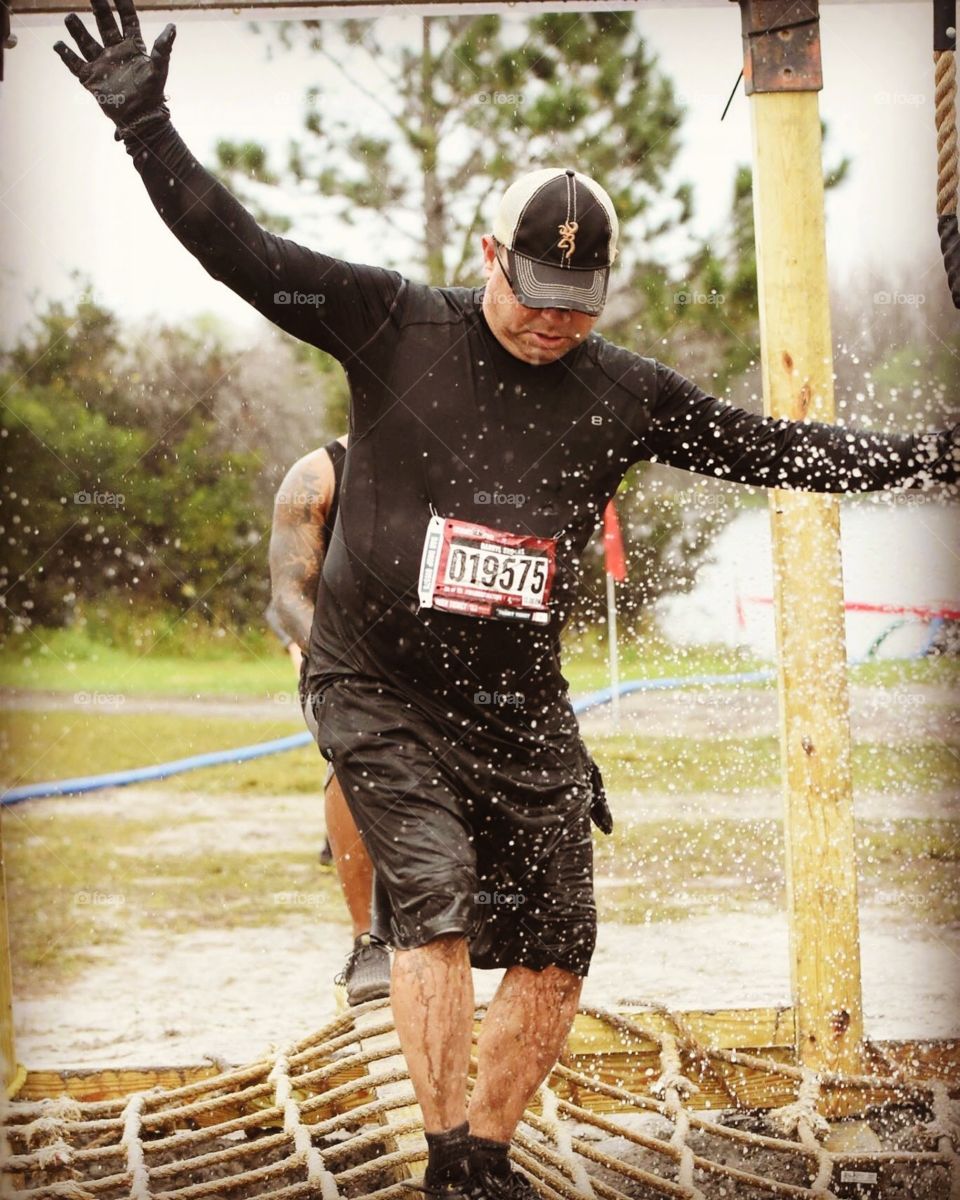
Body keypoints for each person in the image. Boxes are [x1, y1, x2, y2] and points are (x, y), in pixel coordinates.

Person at [54, 5, 958, 1195]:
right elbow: (247, 252)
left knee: (558, 947)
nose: (552, 320)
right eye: (534, 292)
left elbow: (768, 447)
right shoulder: (391, 322)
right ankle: (443, 1163)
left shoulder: (623, 391)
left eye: (577, 303)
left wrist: (923, 457)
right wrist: (146, 128)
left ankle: (484, 1154)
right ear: (491, 257)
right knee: (429, 901)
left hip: (518, 700)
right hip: (374, 681)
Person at [265, 435, 392, 1006]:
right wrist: (350, 661)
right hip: (340, 667)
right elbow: (288, 598)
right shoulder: (315, 476)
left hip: (438, 663)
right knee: (356, 746)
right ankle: (368, 942)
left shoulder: (456, 459)